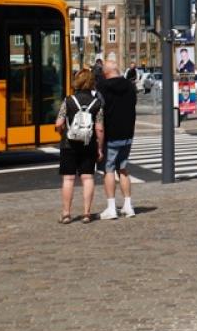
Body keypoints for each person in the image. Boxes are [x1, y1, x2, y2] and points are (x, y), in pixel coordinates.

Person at [55, 67, 104, 223]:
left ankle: (66, 214)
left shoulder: (68, 101)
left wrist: (62, 131)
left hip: (68, 144)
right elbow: (100, 128)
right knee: (87, 177)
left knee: (68, 179)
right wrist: (100, 148)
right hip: (88, 144)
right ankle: (86, 214)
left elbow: (59, 123)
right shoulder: (97, 103)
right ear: (91, 83)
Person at [96, 54, 137, 220]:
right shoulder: (130, 86)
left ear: (106, 73)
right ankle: (128, 205)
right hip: (127, 134)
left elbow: (100, 111)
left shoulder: (103, 87)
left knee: (109, 170)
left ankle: (111, 207)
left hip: (111, 134)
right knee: (123, 169)